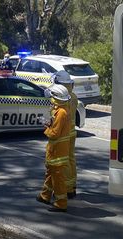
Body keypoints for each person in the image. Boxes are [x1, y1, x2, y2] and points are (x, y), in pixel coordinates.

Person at [36, 84, 71, 212]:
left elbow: (55, 133)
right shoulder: (60, 110)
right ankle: (45, 196)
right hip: (56, 150)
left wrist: (47, 129)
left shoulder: (61, 112)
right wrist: (48, 121)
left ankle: (61, 203)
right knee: (50, 173)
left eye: (52, 97)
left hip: (57, 152)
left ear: (56, 98)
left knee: (58, 177)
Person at [52, 71, 78, 199]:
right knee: (71, 159)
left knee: (63, 161)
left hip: (64, 134)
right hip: (72, 132)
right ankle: (72, 186)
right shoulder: (73, 96)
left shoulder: (63, 98)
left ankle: (66, 189)